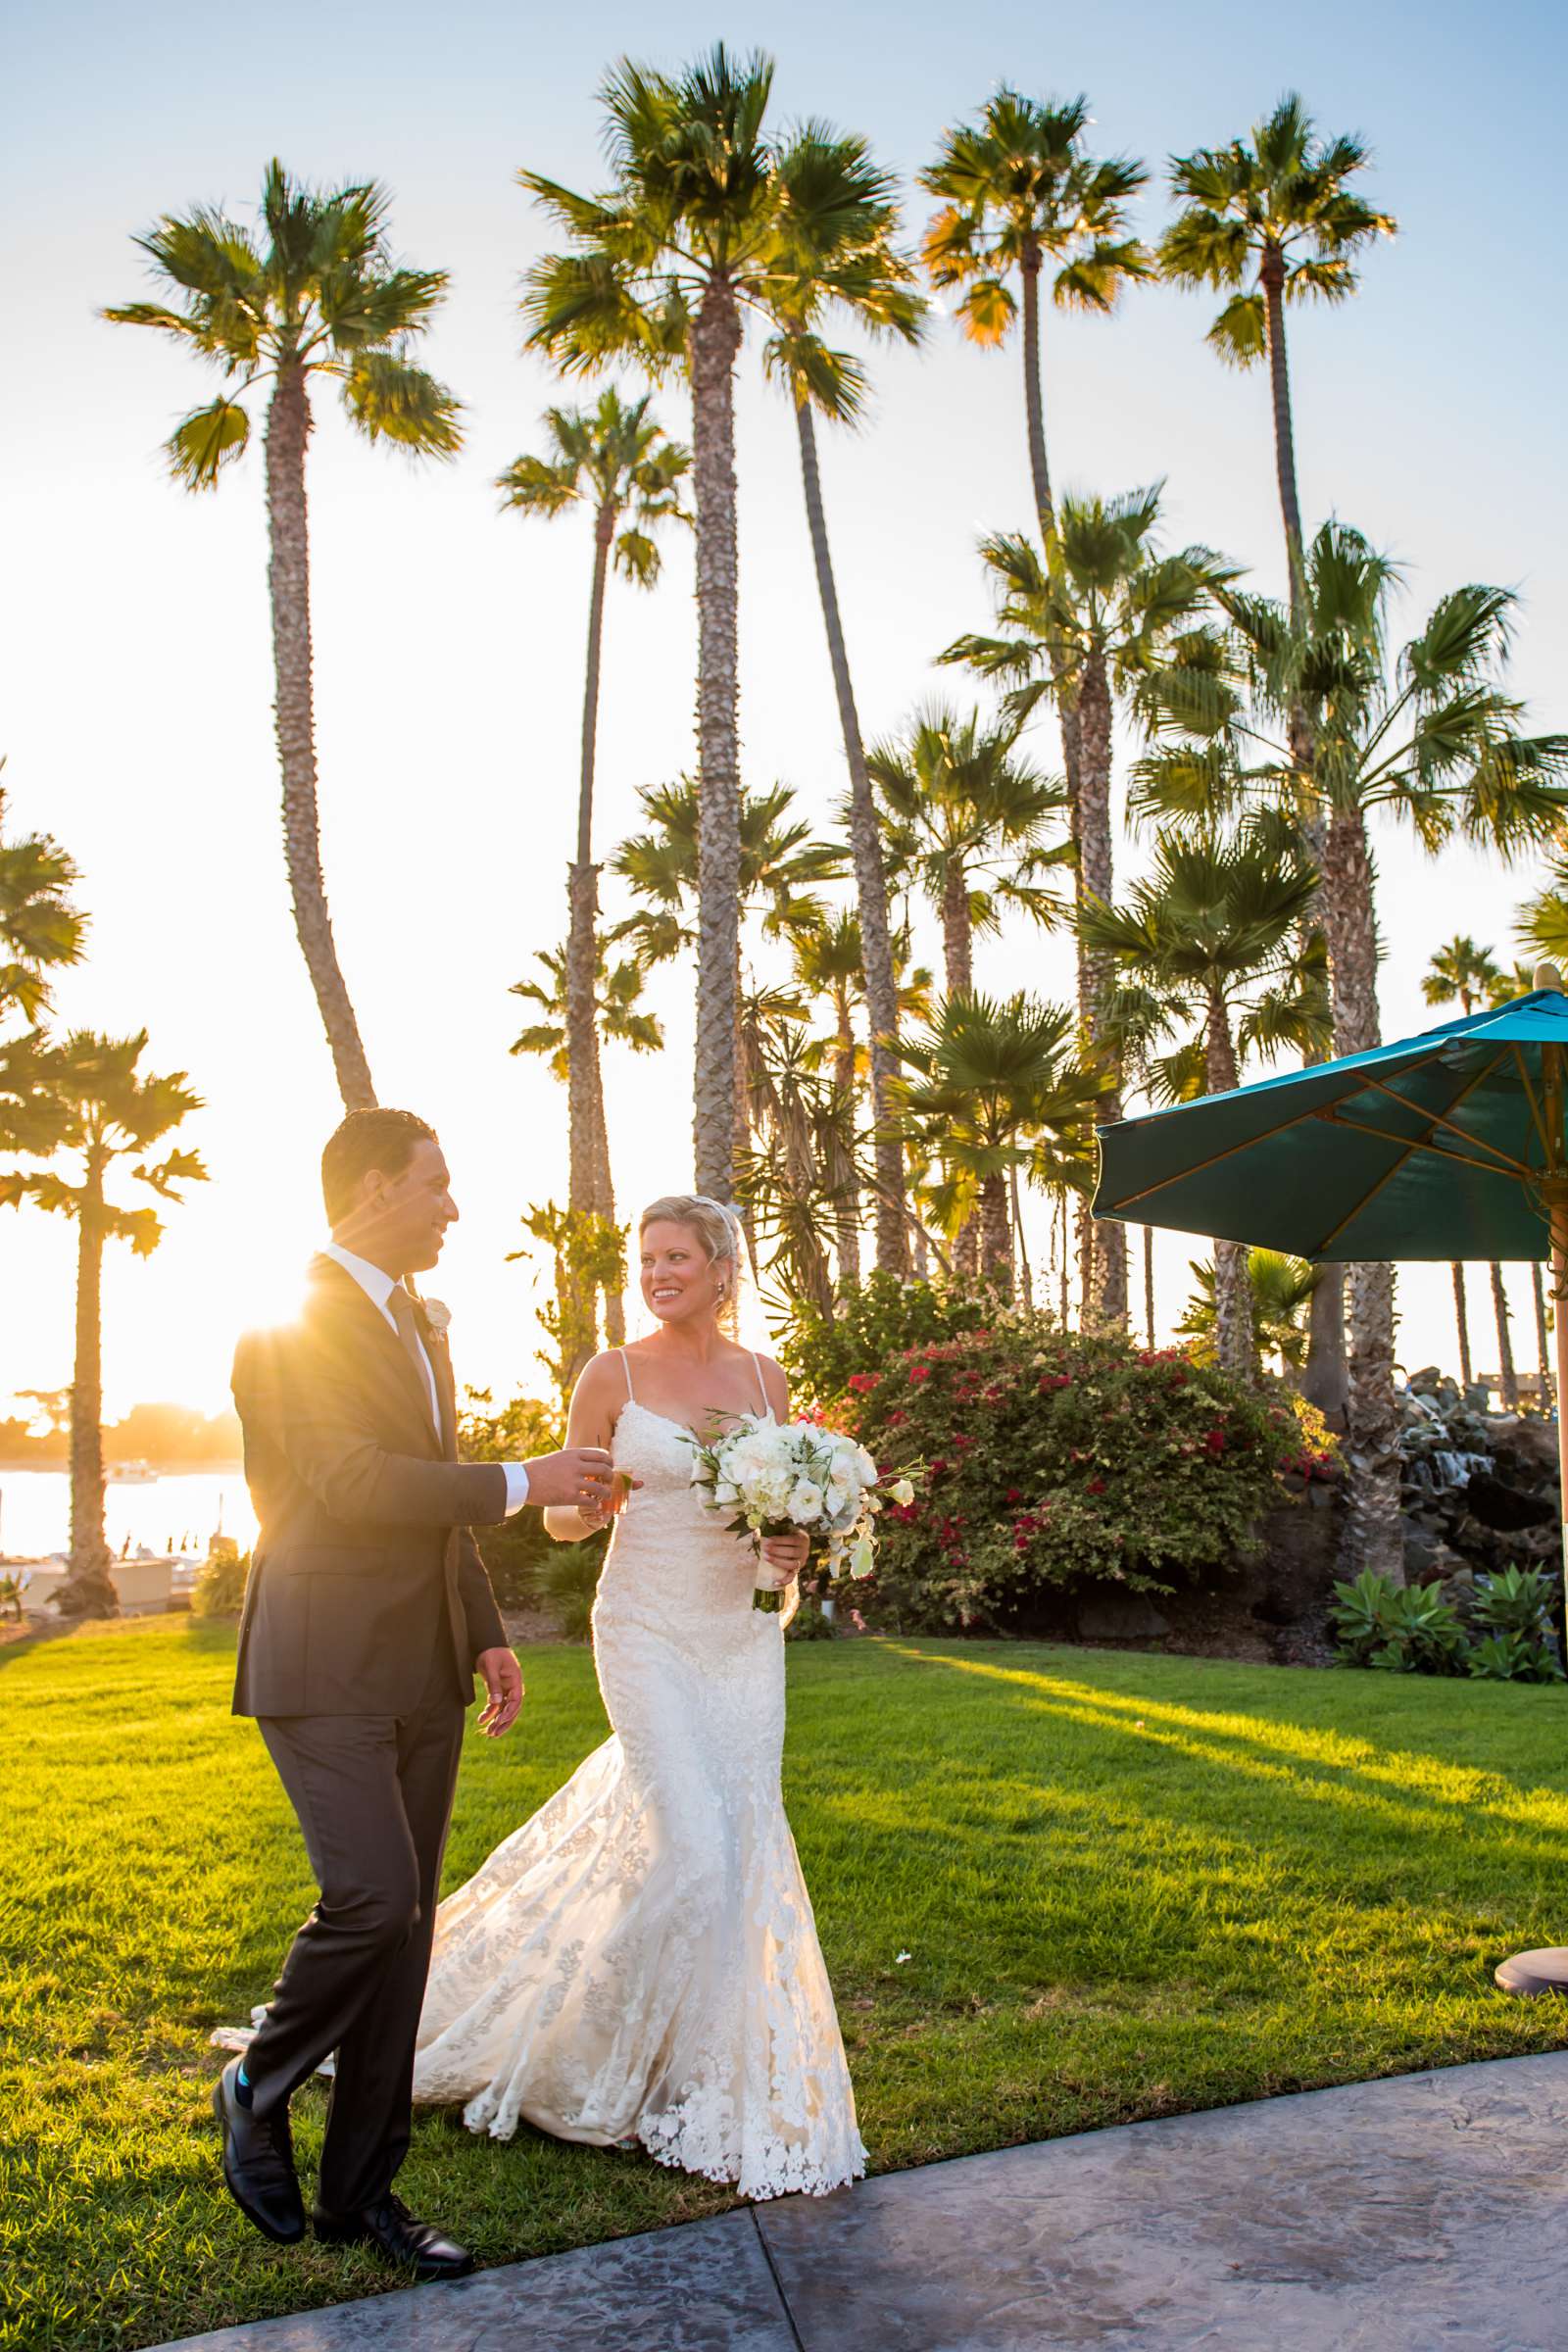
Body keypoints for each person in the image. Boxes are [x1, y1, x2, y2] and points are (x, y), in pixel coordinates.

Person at [213, 1108, 623, 2279]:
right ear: (374, 1190)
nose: (452, 1205)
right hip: (319, 1656)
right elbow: (347, 1483)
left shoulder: (420, 1321)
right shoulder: (286, 1324)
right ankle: (257, 2081)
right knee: (371, 1895)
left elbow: (431, 1508)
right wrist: (520, 1478)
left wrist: (485, 1632)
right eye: (437, 1185)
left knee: (408, 1934)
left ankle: (363, 2197)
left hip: (423, 1660)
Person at [410, 1193, 866, 2200]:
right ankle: (580, 2062)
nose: (657, 1273)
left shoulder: (763, 1374)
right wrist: (593, 1498)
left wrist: (790, 1546)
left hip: (741, 1635)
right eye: (646, 1258)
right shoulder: (610, 1372)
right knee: (693, 1846)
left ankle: (691, 2063)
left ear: (719, 1267)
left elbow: (776, 1509)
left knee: (738, 1842)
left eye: (675, 1257)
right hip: (646, 1629)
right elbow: (567, 1523)